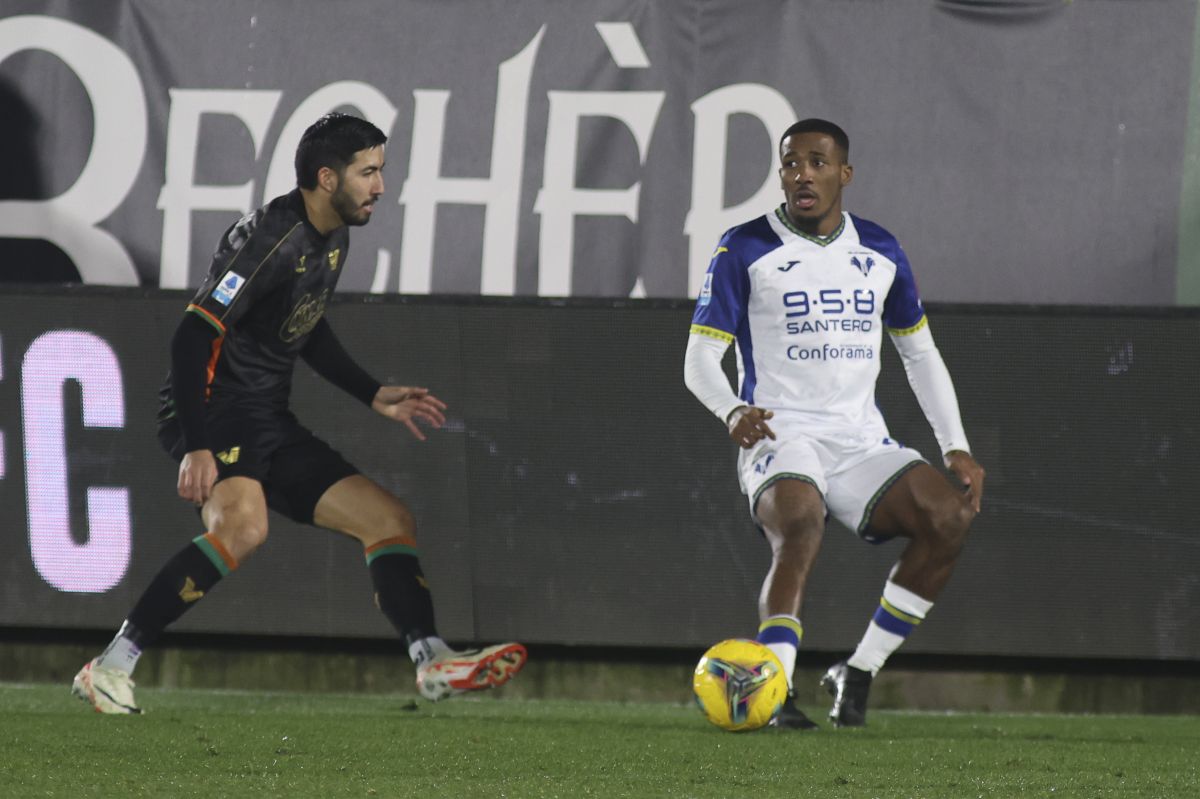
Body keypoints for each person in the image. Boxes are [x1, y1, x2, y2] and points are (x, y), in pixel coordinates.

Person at [72, 113, 526, 714]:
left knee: (388, 520)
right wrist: (196, 444)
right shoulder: (272, 241)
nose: (380, 187)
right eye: (368, 173)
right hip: (215, 409)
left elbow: (304, 326)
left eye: (380, 171)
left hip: (266, 415)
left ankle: (432, 660)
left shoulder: (333, 232)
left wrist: (370, 392)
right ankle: (110, 667)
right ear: (325, 176)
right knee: (243, 528)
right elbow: (191, 336)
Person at [684, 118, 984, 729]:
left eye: (818, 163)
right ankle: (777, 690)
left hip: (857, 439)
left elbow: (919, 353)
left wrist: (956, 446)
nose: (803, 174)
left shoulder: (879, 250)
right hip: (780, 432)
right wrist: (733, 410)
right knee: (800, 524)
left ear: (844, 173)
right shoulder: (744, 247)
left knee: (950, 517)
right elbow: (698, 358)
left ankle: (860, 670)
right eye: (791, 163)